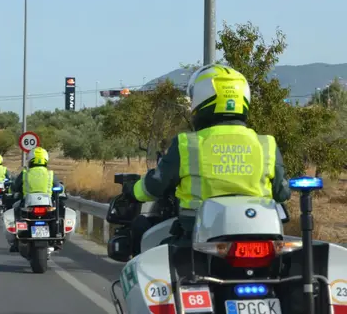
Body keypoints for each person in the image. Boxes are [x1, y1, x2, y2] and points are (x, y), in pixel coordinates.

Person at [122, 63, 292, 249]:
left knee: (152, 257)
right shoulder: (266, 144)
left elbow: (155, 184)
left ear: (201, 99)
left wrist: (132, 190)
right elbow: (282, 193)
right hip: (261, 239)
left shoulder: (187, 144)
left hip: (197, 240)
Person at [8, 147, 64, 252]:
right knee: (56, 215)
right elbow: (59, 188)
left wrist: (15, 191)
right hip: (47, 205)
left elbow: (15, 186)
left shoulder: (25, 174)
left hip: (28, 205)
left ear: (30, 159)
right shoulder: (50, 174)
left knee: (15, 212)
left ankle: (15, 241)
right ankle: (58, 240)